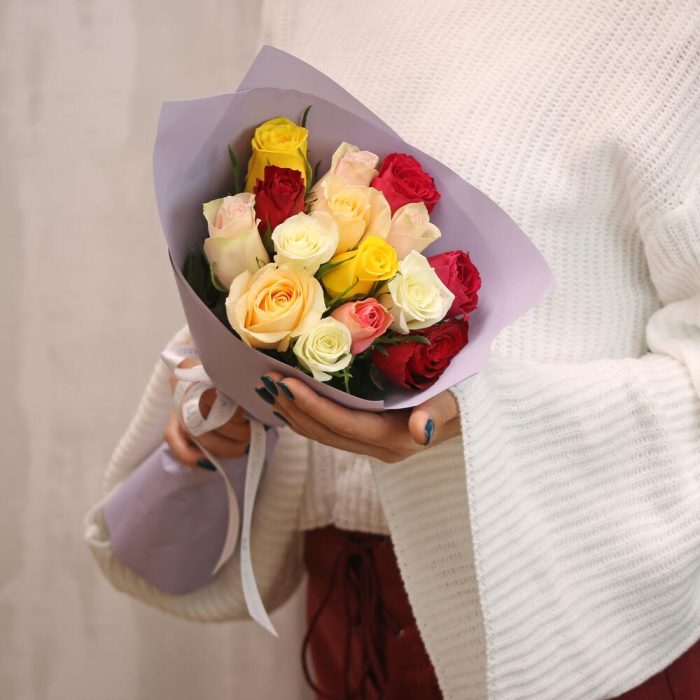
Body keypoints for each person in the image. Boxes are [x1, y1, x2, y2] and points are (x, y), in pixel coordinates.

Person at [86, 1, 700, 698]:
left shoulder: (668, 22)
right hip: (344, 611)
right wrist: (244, 405)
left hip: (573, 629)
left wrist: (486, 419)